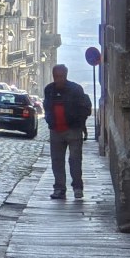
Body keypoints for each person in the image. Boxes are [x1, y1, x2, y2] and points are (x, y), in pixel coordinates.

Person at [42, 64, 92, 200]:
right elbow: (46, 107)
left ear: (66, 75)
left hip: (73, 130)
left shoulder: (75, 89)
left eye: (61, 76)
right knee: (57, 161)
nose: (59, 79)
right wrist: (49, 120)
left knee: (75, 160)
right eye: (56, 77)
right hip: (55, 131)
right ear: (53, 76)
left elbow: (85, 108)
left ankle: (77, 188)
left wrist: (79, 122)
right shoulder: (49, 90)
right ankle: (59, 189)